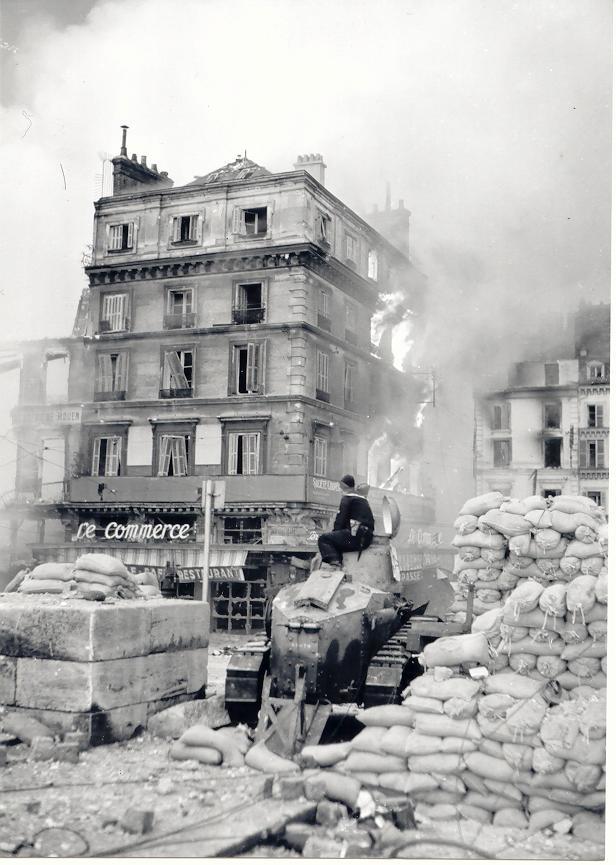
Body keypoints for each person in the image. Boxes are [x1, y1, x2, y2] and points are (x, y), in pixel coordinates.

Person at [317, 475, 374, 567]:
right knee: (339, 540)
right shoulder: (363, 500)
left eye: (341, 488)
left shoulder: (347, 499)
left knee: (324, 539)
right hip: (366, 539)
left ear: (344, 487)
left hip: (355, 538)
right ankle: (338, 561)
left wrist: (334, 534)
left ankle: (335, 563)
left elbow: (340, 521)